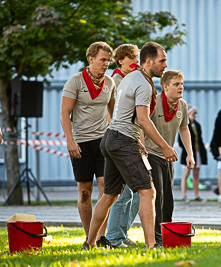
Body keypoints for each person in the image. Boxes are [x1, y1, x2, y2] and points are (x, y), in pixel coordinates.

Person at [82, 41, 178, 250]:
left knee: (110, 195)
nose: (165, 65)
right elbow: (143, 119)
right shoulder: (143, 84)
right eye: (162, 61)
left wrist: (136, 140)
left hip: (112, 139)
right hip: (122, 140)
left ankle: (89, 243)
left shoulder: (130, 78)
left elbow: (126, 115)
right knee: (148, 191)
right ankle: (151, 245)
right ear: (149, 61)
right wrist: (165, 146)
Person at [60, 41, 116, 247]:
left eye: (108, 61)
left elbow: (114, 113)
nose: (106, 64)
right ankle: (89, 237)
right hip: (81, 143)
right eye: (102, 60)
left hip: (103, 142)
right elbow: (64, 114)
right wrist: (70, 140)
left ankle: (100, 237)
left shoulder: (110, 83)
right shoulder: (74, 82)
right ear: (90, 59)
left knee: (106, 188)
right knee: (85, 192)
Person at [142, 69, 194, 246]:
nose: (181, 87)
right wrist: (141, 148)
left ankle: (167, 232)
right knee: (158, 197)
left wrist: (190, 154)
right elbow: (141, 124)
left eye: (182, 84)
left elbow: (184, 129)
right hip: (152, 153)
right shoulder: (153, 102)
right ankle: (155, 237)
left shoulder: (182, 105)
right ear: (164, 87)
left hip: (169, 157)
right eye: (176, 84)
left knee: (168, 200)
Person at [105, 43, 140, 248]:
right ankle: (114, 237)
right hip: (119, 139)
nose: (136, 61)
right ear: (121, 60)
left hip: (129, 138)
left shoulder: (129, 79)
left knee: (134, 192)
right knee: (123, 192)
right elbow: (113, 113)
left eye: (136, 57)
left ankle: (120, 232)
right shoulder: (116, 80)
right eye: (132, 57)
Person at [179, 104, 207, 202]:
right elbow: (181, 141)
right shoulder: (184, 125)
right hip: (187, 154)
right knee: (186, 175)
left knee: (196, 175)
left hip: (197, 153)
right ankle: (184, 195)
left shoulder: (197, 125)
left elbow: (200, 140)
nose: (195, 116)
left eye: (196, 114)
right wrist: (188, 152)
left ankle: (196, 195)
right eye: (193, 113)